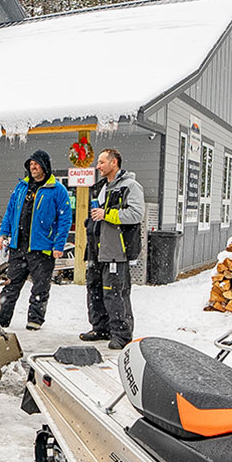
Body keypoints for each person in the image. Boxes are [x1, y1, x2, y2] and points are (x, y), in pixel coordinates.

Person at [0, 150, 72, 330]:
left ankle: (35, 320)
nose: (33, 167)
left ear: (45, 166)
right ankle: (1, 318)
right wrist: (3, 233)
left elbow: (65, 219)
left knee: (40, 287)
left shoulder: (57, 190)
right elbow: (10, 212)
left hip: (42, 247)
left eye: (36, 164)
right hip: (18, 245)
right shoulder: (21, 187)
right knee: (10, 285)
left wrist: (59, 244)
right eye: (30, 164)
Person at [80, 148, 145, 350]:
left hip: (117, 250)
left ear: (114, 162)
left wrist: (106, 214)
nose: (97, 166)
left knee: (115, 293)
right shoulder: (100, 187)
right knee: (95, 290)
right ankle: (100, 328)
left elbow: (136, 214)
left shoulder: (130, 186)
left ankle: (122, 334)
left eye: (101, 162)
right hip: (96, 249)